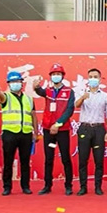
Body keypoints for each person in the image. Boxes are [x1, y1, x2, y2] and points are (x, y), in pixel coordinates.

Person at [0, 71, 38, 196]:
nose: (15, 84)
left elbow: (33, 116)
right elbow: (1, 97)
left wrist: (35, 132)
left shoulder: (29, 99)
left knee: (25, 162)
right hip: (10, 133)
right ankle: (7, 187)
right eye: (12, 82)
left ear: (22, 83)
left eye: (17, 81)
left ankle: (25, 186)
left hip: (26, 133)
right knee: (8, 161)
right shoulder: (6, 97)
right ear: (9, 84)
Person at [34, 64, 76, 195]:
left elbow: (69, 110)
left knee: (65, 158)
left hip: (62, 130)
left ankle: (68, 186)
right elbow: (39, 91)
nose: (56, 76)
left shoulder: (69, 92)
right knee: (49, 158)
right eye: (53, 74)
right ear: (50, 77)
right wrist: (36, 86)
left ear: (63, 76)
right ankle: (47, 185)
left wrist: (57, 124)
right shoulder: (48, 91)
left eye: (58, 74)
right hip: (48, 131)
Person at [75, 68, 107, 196]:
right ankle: (83, 187)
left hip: (99, 129)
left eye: (95, 77)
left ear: (100, 79)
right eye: (90, 76)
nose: (93, 79)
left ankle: (98, 187)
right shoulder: (82, 93)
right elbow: (76, 105)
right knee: (83, 159)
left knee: (99, 160)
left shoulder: (105, 96)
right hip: (85, 128)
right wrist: (83, 97)